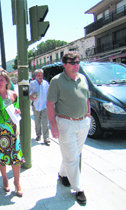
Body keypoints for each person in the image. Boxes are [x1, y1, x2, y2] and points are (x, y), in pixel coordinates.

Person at [46, 52, 91, 205]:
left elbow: (86, 98)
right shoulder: (56, 81)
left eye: (77, 62)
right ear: (64, 64)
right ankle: (78, 188)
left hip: (83, 122)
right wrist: (53, 126)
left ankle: (62, 174)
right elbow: (50, 104)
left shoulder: (83, 78)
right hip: (66, 123)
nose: (75, 65)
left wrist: (88, 115)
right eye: (72, 63)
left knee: (74, 153)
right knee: (73, 157)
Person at [29, 69, 51, 145]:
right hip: (36, 106)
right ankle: (38, 135)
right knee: (37, 122)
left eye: (41, 75)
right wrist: (31, 97)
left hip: (44, 106)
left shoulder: (46, 83)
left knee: (45, 122)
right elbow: (29, 94)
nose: (40, 77)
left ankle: (46, 138)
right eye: (38, 75)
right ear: (36, 76)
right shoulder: (32, 83)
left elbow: (49, 94)